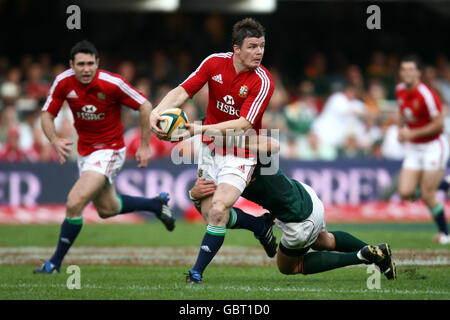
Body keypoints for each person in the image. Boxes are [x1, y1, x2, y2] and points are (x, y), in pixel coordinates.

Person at [150, 18, 276, 284]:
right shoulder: (213, 63)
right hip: (210, 147)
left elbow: (243, 125)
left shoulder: (263, 81)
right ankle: (258, 225)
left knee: (218, 210)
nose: (259, 52)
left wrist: (197, 129)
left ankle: (196, 273)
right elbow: (184, 91)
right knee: (208, 212)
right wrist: (157, 110)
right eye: (252, 46)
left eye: (262, 46)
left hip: (241, 151)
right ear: (236, 49)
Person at [34, 40, 175, 274]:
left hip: (110, 150)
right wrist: (55, 140)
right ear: (72, 65)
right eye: (81, 64)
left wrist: (144, 146)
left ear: (97, 63)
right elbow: (47, 115)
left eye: (90, 63)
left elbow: (145, 105)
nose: (86, 68)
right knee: (107, 209)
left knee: (74, 201)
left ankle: (54, 263)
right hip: (86, 152)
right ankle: (155, 205)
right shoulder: (62, 82)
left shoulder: (112, 83)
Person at [189, 138, 397, 281]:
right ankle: (379, 253)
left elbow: (273, 145)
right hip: (305, 196)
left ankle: (362, 256)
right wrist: (194, 194)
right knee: (325, 241)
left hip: (299, 219)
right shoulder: (237, 145)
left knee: (290, 267)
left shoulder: (236, 157)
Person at [396, 56, 449, 245]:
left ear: (418, 73)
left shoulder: (426, 94)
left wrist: (412, 133)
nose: (407, 73)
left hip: (433, 146)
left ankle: (445, 233)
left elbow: (439, 124)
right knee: (405, 192)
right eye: (403, 69)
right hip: (414, 147)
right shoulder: (400, 90)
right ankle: (445, 185)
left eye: (411, 69)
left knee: (427, 194)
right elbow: (402, 112)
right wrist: (400, 130)